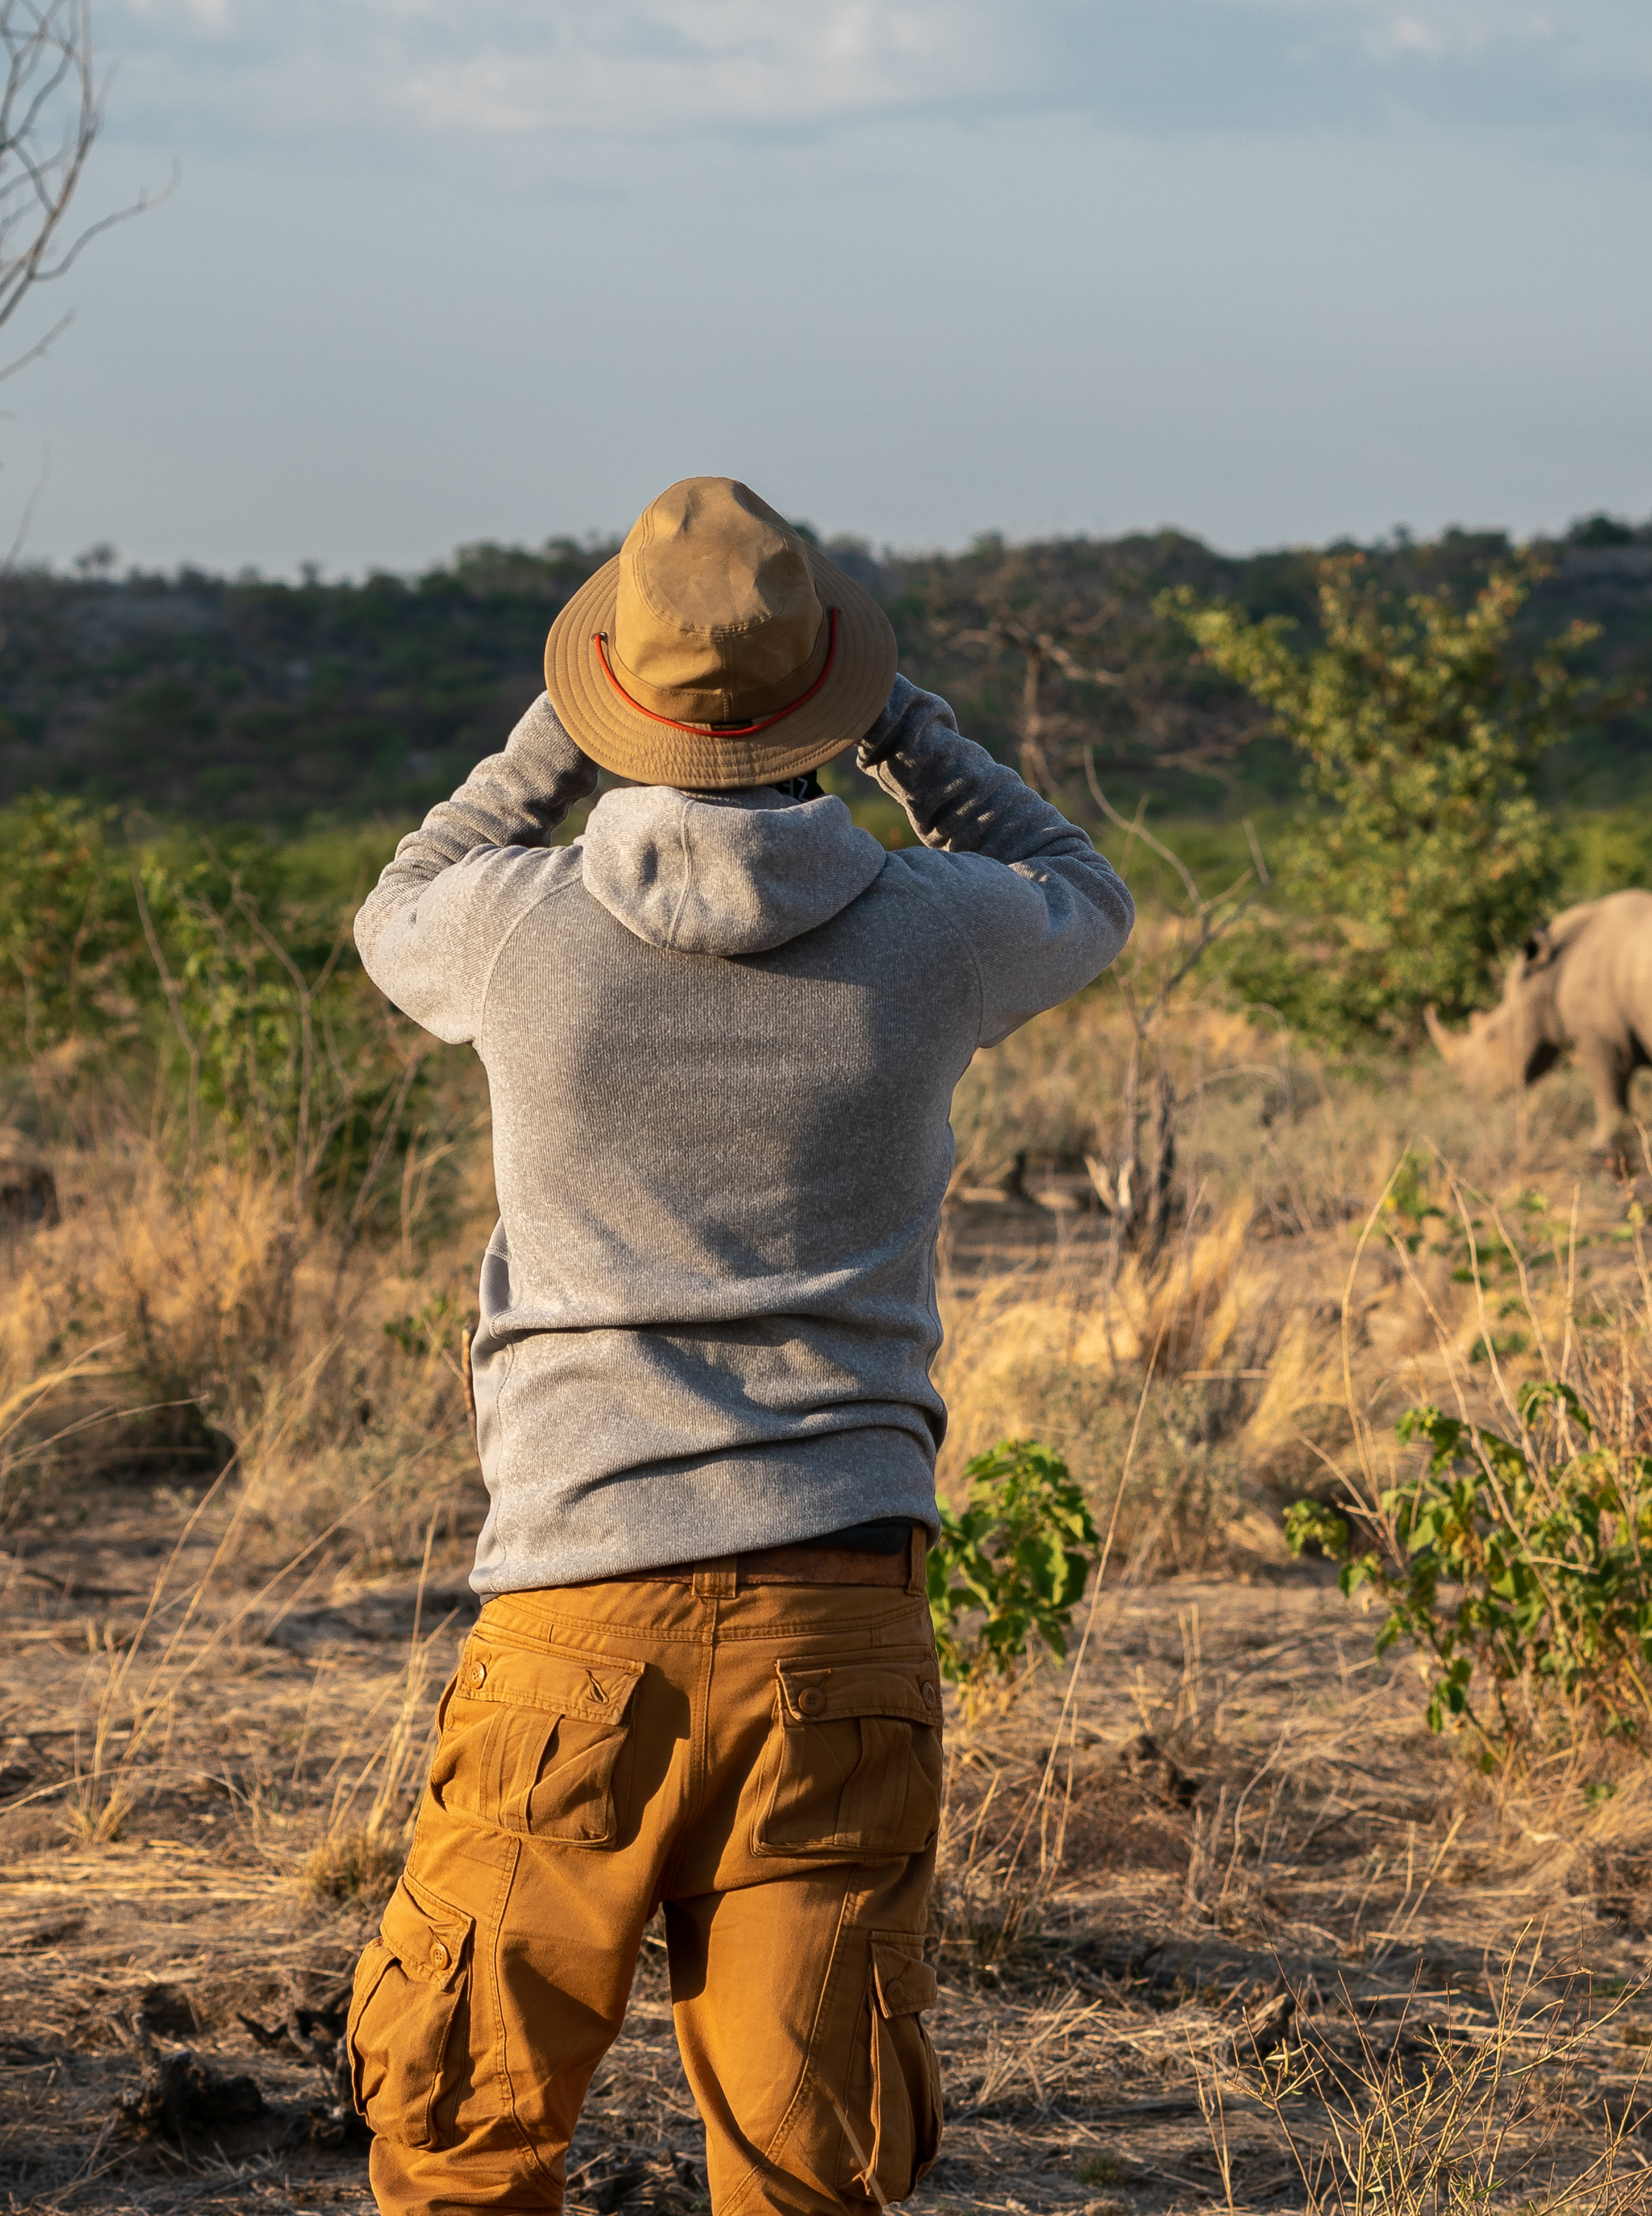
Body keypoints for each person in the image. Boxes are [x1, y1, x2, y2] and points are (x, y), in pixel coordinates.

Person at [345, 477, 1134, 2213]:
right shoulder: (934, 933)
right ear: (827, 708)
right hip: (835, 1616)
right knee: (810, 2159)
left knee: (465, 2137)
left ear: (619, 688)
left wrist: (556, 732)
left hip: (570, 1613)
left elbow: (399, 891)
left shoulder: (515, 926)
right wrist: (908, 728)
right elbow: (1083, 884)